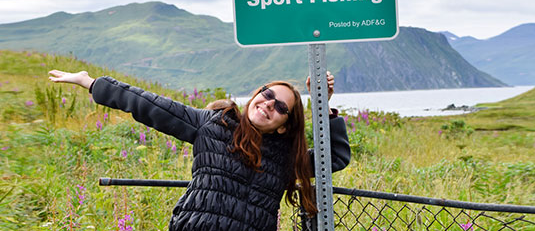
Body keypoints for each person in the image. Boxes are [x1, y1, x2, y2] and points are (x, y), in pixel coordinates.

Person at [47, 70, 350, 231]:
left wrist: (322, 105)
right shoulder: (211, 124)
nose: (269, 104)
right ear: (256, 94)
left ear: (285, 124)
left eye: (281, 106)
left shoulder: (287, 157)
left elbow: (334, 158)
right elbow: (148, 104)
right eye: (267, 94)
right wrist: (89, 82)